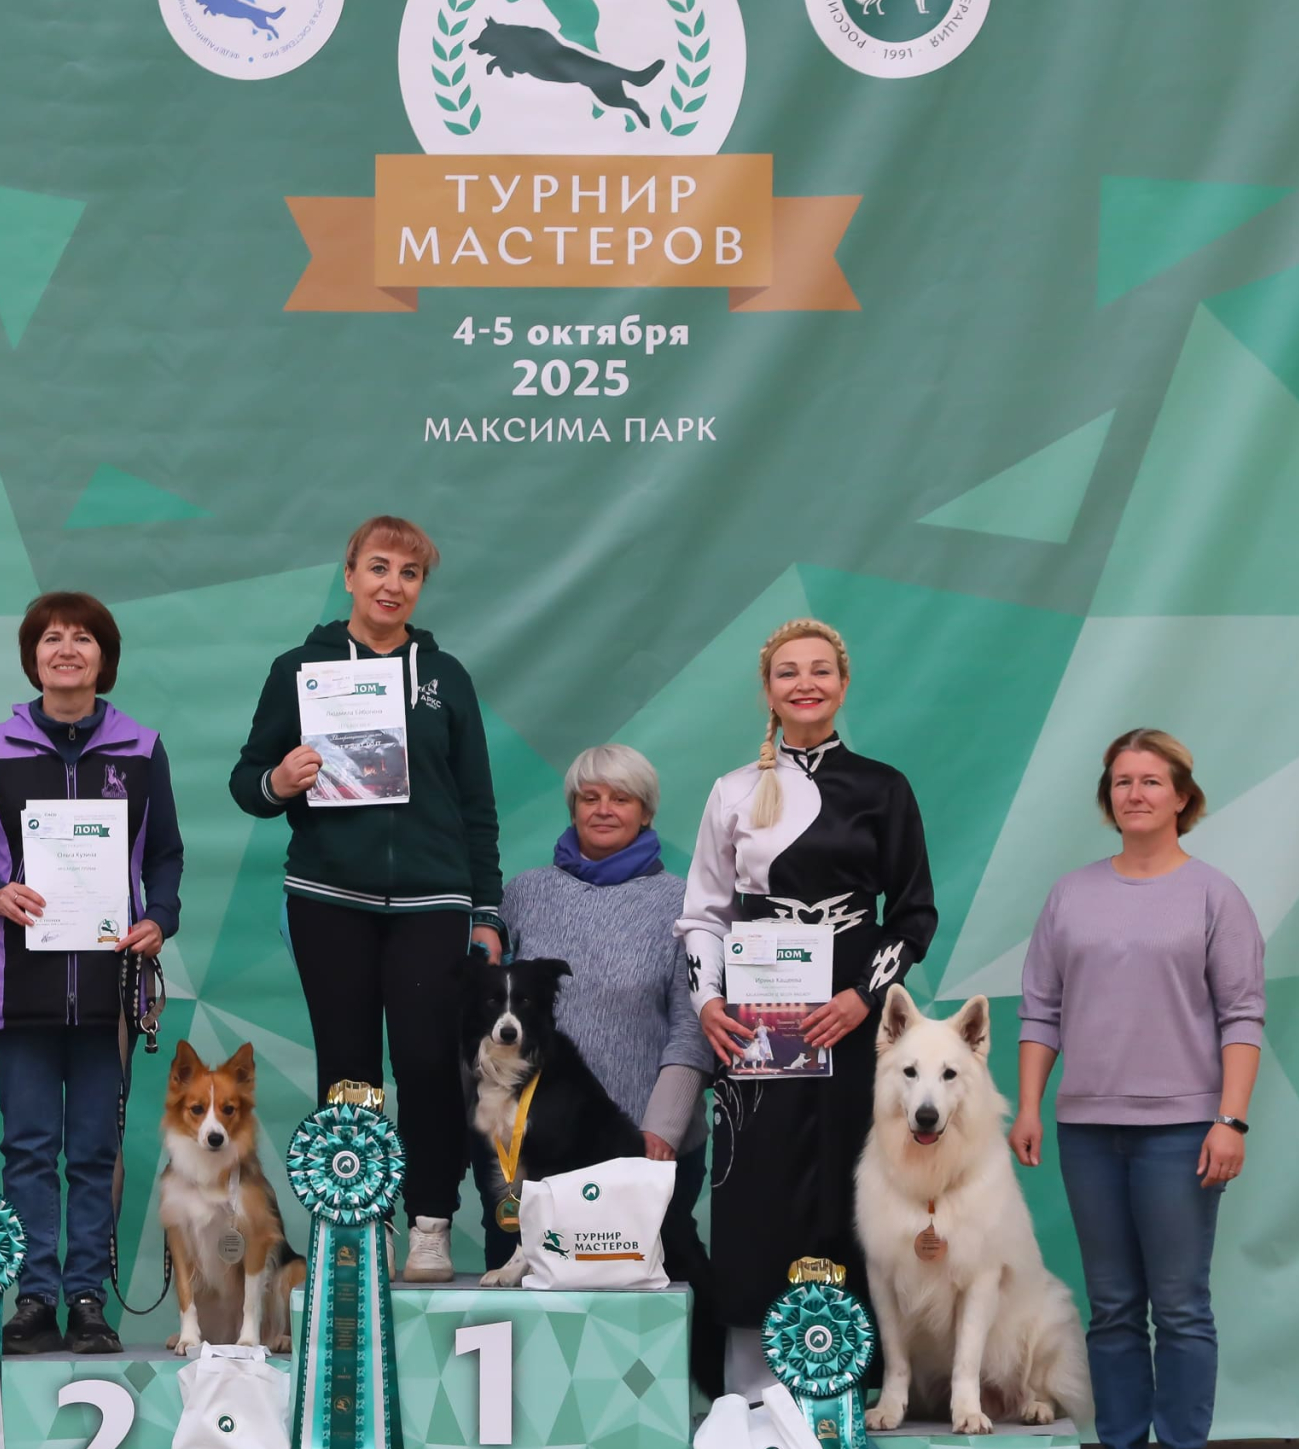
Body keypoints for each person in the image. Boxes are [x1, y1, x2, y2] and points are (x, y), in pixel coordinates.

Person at [231, 516, 503, 1281]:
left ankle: (428, 1225)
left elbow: (477, 804)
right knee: (347, 1069)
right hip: (329, 896)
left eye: (409, 573)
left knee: (424, 1063)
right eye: (378, 567)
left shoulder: (446, 676)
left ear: (420, 587)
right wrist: (279, 782)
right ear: (348, 574)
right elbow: (249, 780)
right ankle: (353, 1226)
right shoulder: (298, 668)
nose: (392, 584)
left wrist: (486, 910)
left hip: (432, 902)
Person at [1007, 728, 1264, 1449]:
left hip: (1183, 1129)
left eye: (1152, 780)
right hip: (1087, 1128)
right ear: (1108, 797)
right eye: (1122, 781)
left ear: (1182, 796)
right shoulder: (1070, 894)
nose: (1136, 793)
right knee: (1113, 1306)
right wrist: (1026, 1104)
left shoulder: (1215, 896)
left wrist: (1230, 1118)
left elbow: (1242, 1015)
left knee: (1180, 1305)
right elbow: (1041, 1007)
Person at [677, 618, 936, 1392]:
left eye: (821, 671)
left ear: (843, 684)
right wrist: (708, 1003)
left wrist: (864, 999)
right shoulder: (731, 790)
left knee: (852, 1179)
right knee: (752, 1181)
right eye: (789, 672)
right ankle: (751, 1387)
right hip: (757, 1022)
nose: (806, 684)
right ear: (768, 690)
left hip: (854, 1023)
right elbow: (702, 914)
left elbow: (914, 913)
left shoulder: (884, 787)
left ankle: (848, 1385)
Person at [0, 592, 183, 1357]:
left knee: (93, 1150)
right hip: (20, 983)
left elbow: (165, 856)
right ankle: (33, 1298)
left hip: (110, 982)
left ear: (103, 657)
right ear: (33, 657)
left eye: (83, 637)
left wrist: (162, 916)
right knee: (26, 1147)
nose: (67, 648)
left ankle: (86, 1296)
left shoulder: (142, 748)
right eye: (52, 637)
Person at [481, 743, 717, 1261]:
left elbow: (693, 1023)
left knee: (665, 1283)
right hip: (531, 1140)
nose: (604, 809)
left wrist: (664, 1126)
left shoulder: (684, 904)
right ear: (573, 808)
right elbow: (489, 1015)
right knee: (518, 1277)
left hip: (642, 1140)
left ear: (646, 812)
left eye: (621, 798)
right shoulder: (522, 895)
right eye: (590, 797)